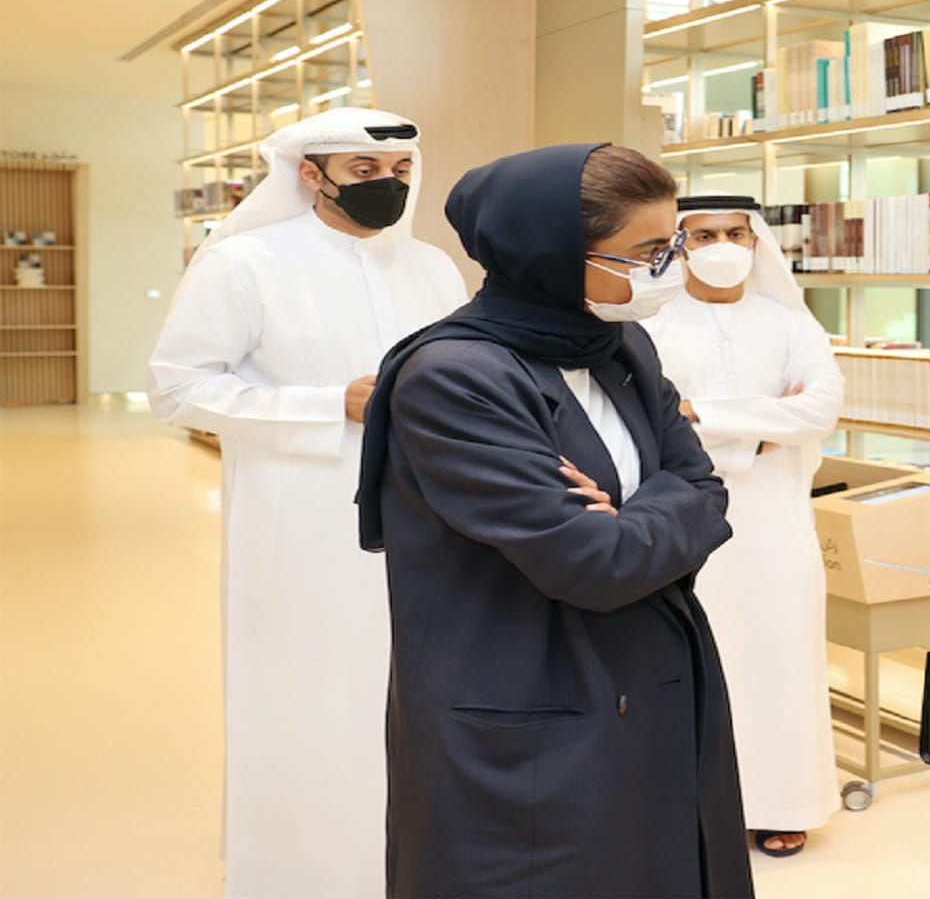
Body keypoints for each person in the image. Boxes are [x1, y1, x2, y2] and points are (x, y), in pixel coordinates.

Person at [356, 144, 753, 899]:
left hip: (649, 678)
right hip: (525, 701)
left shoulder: (620, 346)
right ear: (552, 254)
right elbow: (593, 562)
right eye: (644, 252)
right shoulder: (454, 378)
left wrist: (632, 518)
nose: (668, 268)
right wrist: (653, 513)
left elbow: (705, 489)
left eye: (669, 245)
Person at [146, 107, 466, 899]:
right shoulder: (245, 262)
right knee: (305, 697)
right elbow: (178, 389)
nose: (387, 184)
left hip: (426, 521)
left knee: (416, 700)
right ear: (311, 175)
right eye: (365, 171)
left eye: (399, 171)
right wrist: (329, 405)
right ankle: (294, 871)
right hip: (299, 526)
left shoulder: (432, 268)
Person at [643, 192, 846, 858]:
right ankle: (693, 809)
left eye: (736, 232)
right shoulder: (651, 325)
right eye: (704, 235)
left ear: (757, 241)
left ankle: (783, 802)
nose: (723, 246)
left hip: (775, 524)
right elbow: (652, 419)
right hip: (679, 519)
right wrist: (758, 432)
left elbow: (819, 411)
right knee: (689, 661)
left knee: (779, 658)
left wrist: (704, 414)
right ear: (679, 245)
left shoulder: (791, 324)